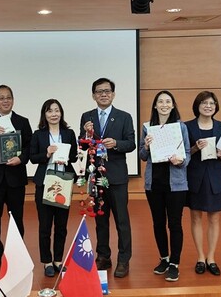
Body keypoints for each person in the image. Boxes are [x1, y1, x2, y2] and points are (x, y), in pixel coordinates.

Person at [80, 78, 136, 278]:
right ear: (93, 95)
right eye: (99, 91)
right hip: (96, 176)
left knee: (122, 220)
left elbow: (131, 143)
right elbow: (83, 146)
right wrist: (86, 135)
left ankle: (123, 259)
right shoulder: (87, 117)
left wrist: (117, 144)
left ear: (113, 94)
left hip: (117, 176)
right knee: (101, 219)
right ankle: (103, 256)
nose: (103, 94)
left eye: (107, 91)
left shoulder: (124, 117)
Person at [139, 90, 190, 282]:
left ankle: (175, 263)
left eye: (168, 101)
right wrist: (145, 146)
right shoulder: (147, 127)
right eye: (160, 101)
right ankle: (164, 258)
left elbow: (187, 154)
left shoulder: (180, 127)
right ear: (155, 105)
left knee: (175, 223)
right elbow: (143, 157)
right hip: (154, 183)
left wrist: (180, 160)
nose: (164, 104)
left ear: (173, 105)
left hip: (176, 183)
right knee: (158, 223)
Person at [0, 85, 32, 273]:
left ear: (13, 99)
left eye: (8, 97)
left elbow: (29, 147)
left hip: (15, 178)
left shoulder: (23, 121)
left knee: (16, 219)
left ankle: (15, 256)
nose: (5, 101)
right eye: (1, 98)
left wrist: (21, 159)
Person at [185, 91, 221, 276]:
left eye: (212, 103)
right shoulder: (186, 126)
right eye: (204, 103)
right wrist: (195, 148)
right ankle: (200, 257)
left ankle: (211, 257)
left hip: (215, 177)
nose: (208, 106)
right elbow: (182, 153)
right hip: (194, 177)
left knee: (214, 218)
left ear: (216, 106)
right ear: (197, 106)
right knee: (195, 217)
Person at [30, 99, 77, 277]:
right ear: (45, 114)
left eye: (57, 110)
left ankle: (58, 259)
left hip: (63, 182)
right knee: (45, 225)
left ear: (61, 113)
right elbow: (33, 158)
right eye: (50, 111)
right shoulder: (38, 134)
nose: (54, 114)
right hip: (45, 183)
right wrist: (47, 153)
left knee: (62, 225)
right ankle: (47, 261)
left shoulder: (69, 133)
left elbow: (73, 156)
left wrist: (65, 156)